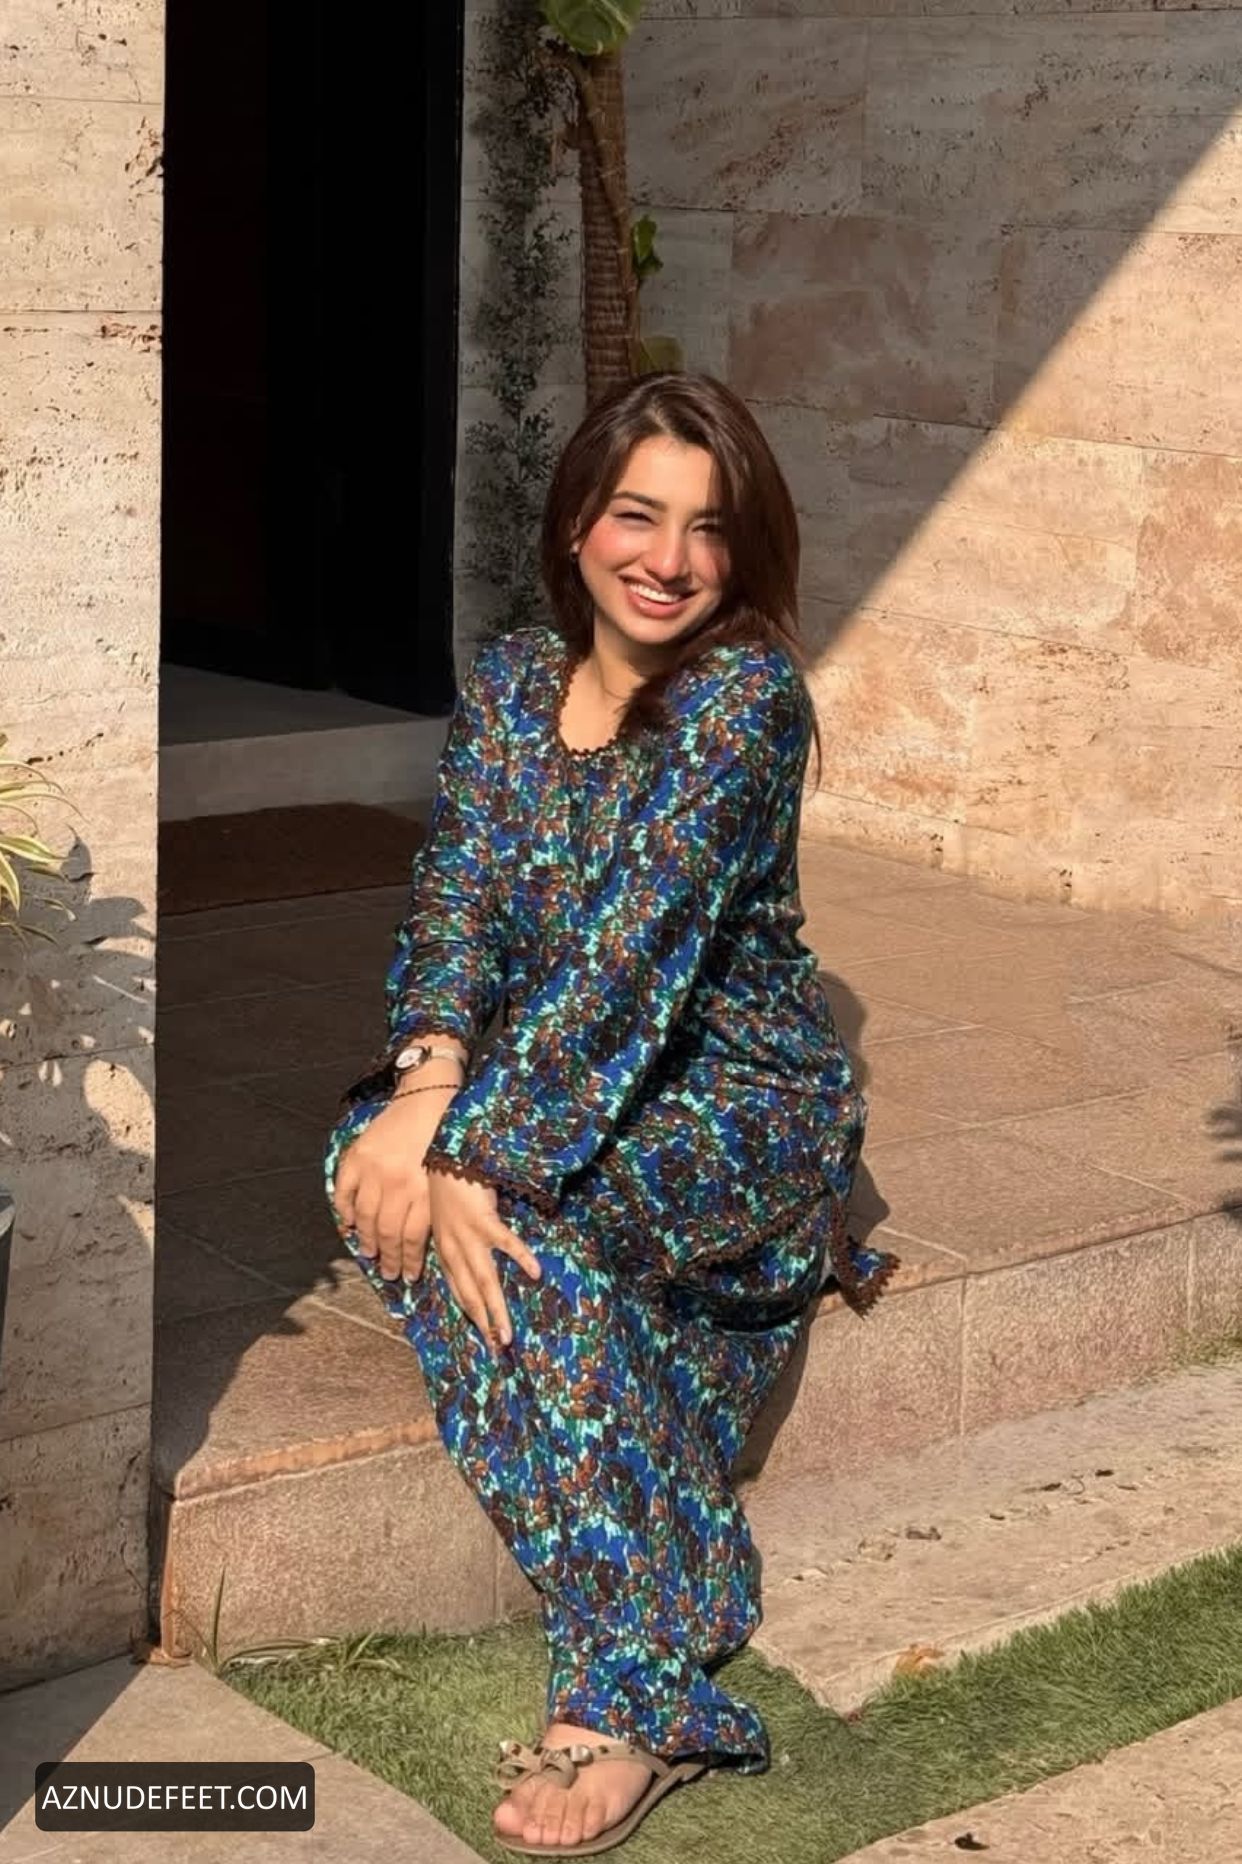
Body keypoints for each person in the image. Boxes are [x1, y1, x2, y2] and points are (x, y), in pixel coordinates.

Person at [323, 371, 898, 1858]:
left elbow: (626, 962)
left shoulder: (743, 702)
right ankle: (670, 1561)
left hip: (739, 1107)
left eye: (709, 528)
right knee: (369, 1159)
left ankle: (633, 1691)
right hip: (551, 1078)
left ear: (743, 552)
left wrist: (475, 1154)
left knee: (511, 1220)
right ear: (578, 519)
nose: (669, 558)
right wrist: (428, 1088)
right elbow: (456, 900)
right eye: (638, 514)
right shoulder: (518, 680)